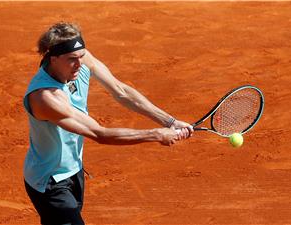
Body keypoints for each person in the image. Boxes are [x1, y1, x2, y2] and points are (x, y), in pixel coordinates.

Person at [23, 22, 193, 225]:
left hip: (74, 169)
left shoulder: (81, 59)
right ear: (53, 58)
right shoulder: (46, 98)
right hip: (50, 181)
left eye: (81, 56)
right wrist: (157, 134)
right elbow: (100, 133)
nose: (79, 64)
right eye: (72, 60)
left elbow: (121, 91)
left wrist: (170, 121)